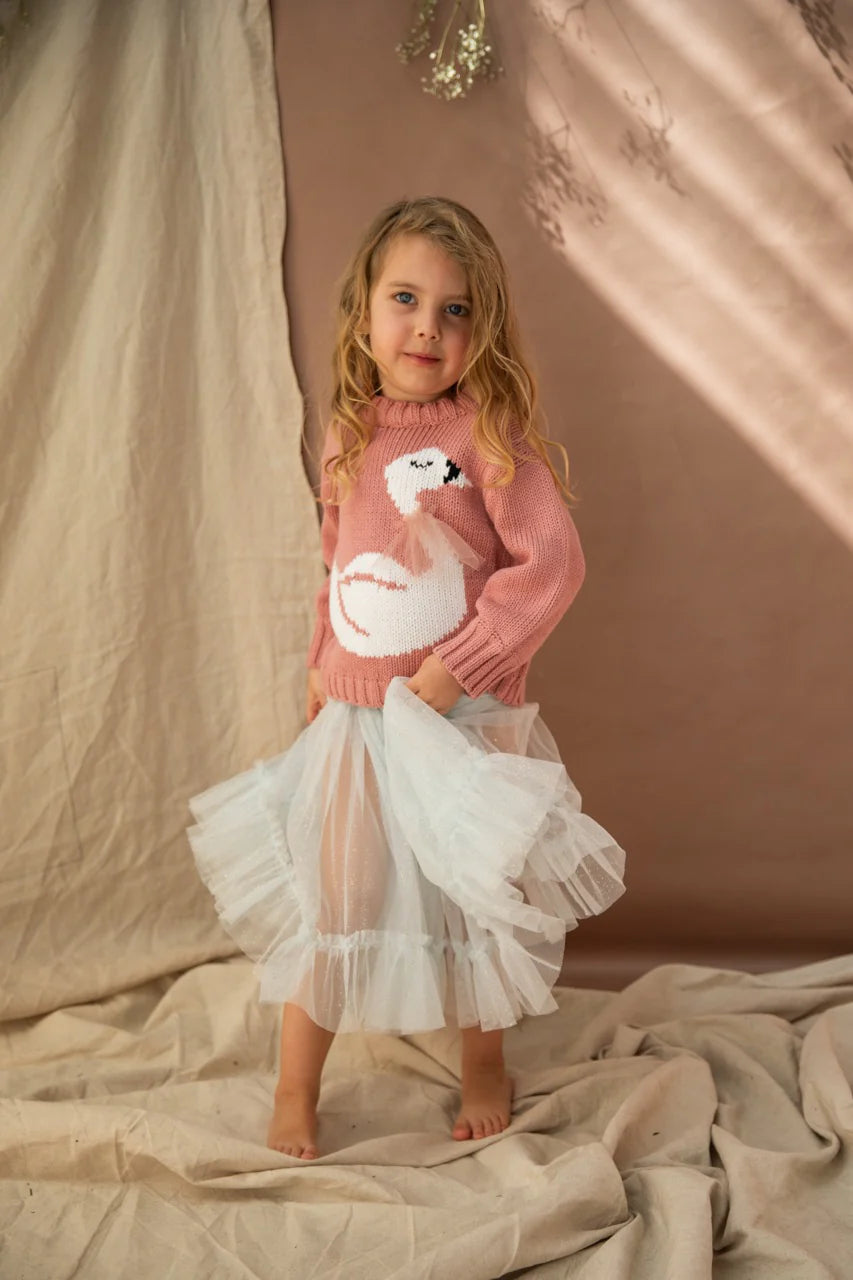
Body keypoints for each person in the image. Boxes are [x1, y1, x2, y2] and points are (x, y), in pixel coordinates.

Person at [186, 196, 626, 1161]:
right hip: (356, 720)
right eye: (405, 299)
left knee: (470, 891)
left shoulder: (489, 436)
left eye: (456, 308)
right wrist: (318, 665)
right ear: (364, 315)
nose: (428, 326)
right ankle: (296, 1087)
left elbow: (551, 564)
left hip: (458, 717)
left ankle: (480, 1066)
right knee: (335, 894)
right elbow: (337, 558)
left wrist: (460, 662)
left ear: (483, 327)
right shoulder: (350, 431)